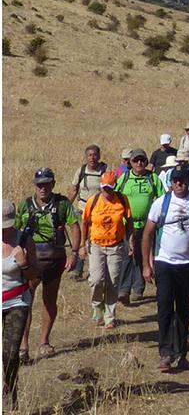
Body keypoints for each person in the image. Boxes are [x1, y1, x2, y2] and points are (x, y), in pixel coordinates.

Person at [142, 164, 189, 372]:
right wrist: (147, 265)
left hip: (187, 264)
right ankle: (166, 353)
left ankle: (182, 352)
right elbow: (147, 233)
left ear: (188, 180)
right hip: (164, 262)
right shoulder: (161, 203)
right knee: (164, 307)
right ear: (170, 182)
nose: (179, 183)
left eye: (182, 180)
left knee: (183, 309)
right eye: (175, 180)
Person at [16, 168, 81, 362]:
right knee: (25, 302)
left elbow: (75, 226)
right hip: (30, 262)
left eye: (46, 183)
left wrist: (75, 253)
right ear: (34, 186)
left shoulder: (62, 204)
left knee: (49, 301)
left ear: (53, 184)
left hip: (55, 260)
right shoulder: (25, 205)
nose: (43, 188)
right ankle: (23, 346)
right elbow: (15, 228)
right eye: (39, 184)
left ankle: (44, 341)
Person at [81, 171, 133, 329]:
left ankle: (109, 317)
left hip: (115, 246)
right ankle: (97, 307)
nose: (107, 191)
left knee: (113, 281)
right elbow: (84, 222)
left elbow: (128, 221)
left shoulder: (122, 200)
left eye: (110, 188)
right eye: (104, 188)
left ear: (114, 186)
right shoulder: (93, 201)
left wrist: (130, 241)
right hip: (96, 245)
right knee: (96, 279)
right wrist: (83, 243)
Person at [116, 149, 163, 304]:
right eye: (136, 160)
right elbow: (114, 197)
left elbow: (162, 198)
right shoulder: (124, 178)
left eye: (142, 160)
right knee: (127, 256)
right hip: (126, 225)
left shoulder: (153, 178)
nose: (139, 163)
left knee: (142, 255)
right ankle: (123, 290)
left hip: (147, 224)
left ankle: (138, 289)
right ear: (130, 162)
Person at [3, 200, 38, 412]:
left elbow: (34, 275)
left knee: (9, 353)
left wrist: (23, 262)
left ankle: (9, 389)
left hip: (17, 302)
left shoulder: (24, 240)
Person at [67, 144, 107, 279]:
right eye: (89, 155)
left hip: (99, 211)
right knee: (80, 239)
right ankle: (78, 269)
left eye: (95, 155)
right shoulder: (81, 170)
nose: (92, 158)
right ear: (86, 157)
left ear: (99, 156)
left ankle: (96, 268)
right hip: (82, 209)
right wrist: (66, 208)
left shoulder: (105, 170)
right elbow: (74, 190)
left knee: (95, 239)